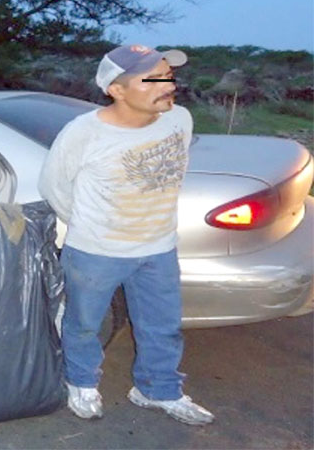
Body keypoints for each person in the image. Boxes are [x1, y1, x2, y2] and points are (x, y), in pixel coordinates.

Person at [38, 44, 215, 426]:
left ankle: (157, 389)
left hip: (159, 246)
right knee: (84, 324)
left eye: (169, 76)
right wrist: (92, 226)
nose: (168, 85)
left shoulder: (179, 119)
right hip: (96, 251)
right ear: (116, 90)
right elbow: (54, 186)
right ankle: (82, 383)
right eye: (153, 79)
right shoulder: (84, 133)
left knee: (162, 326)